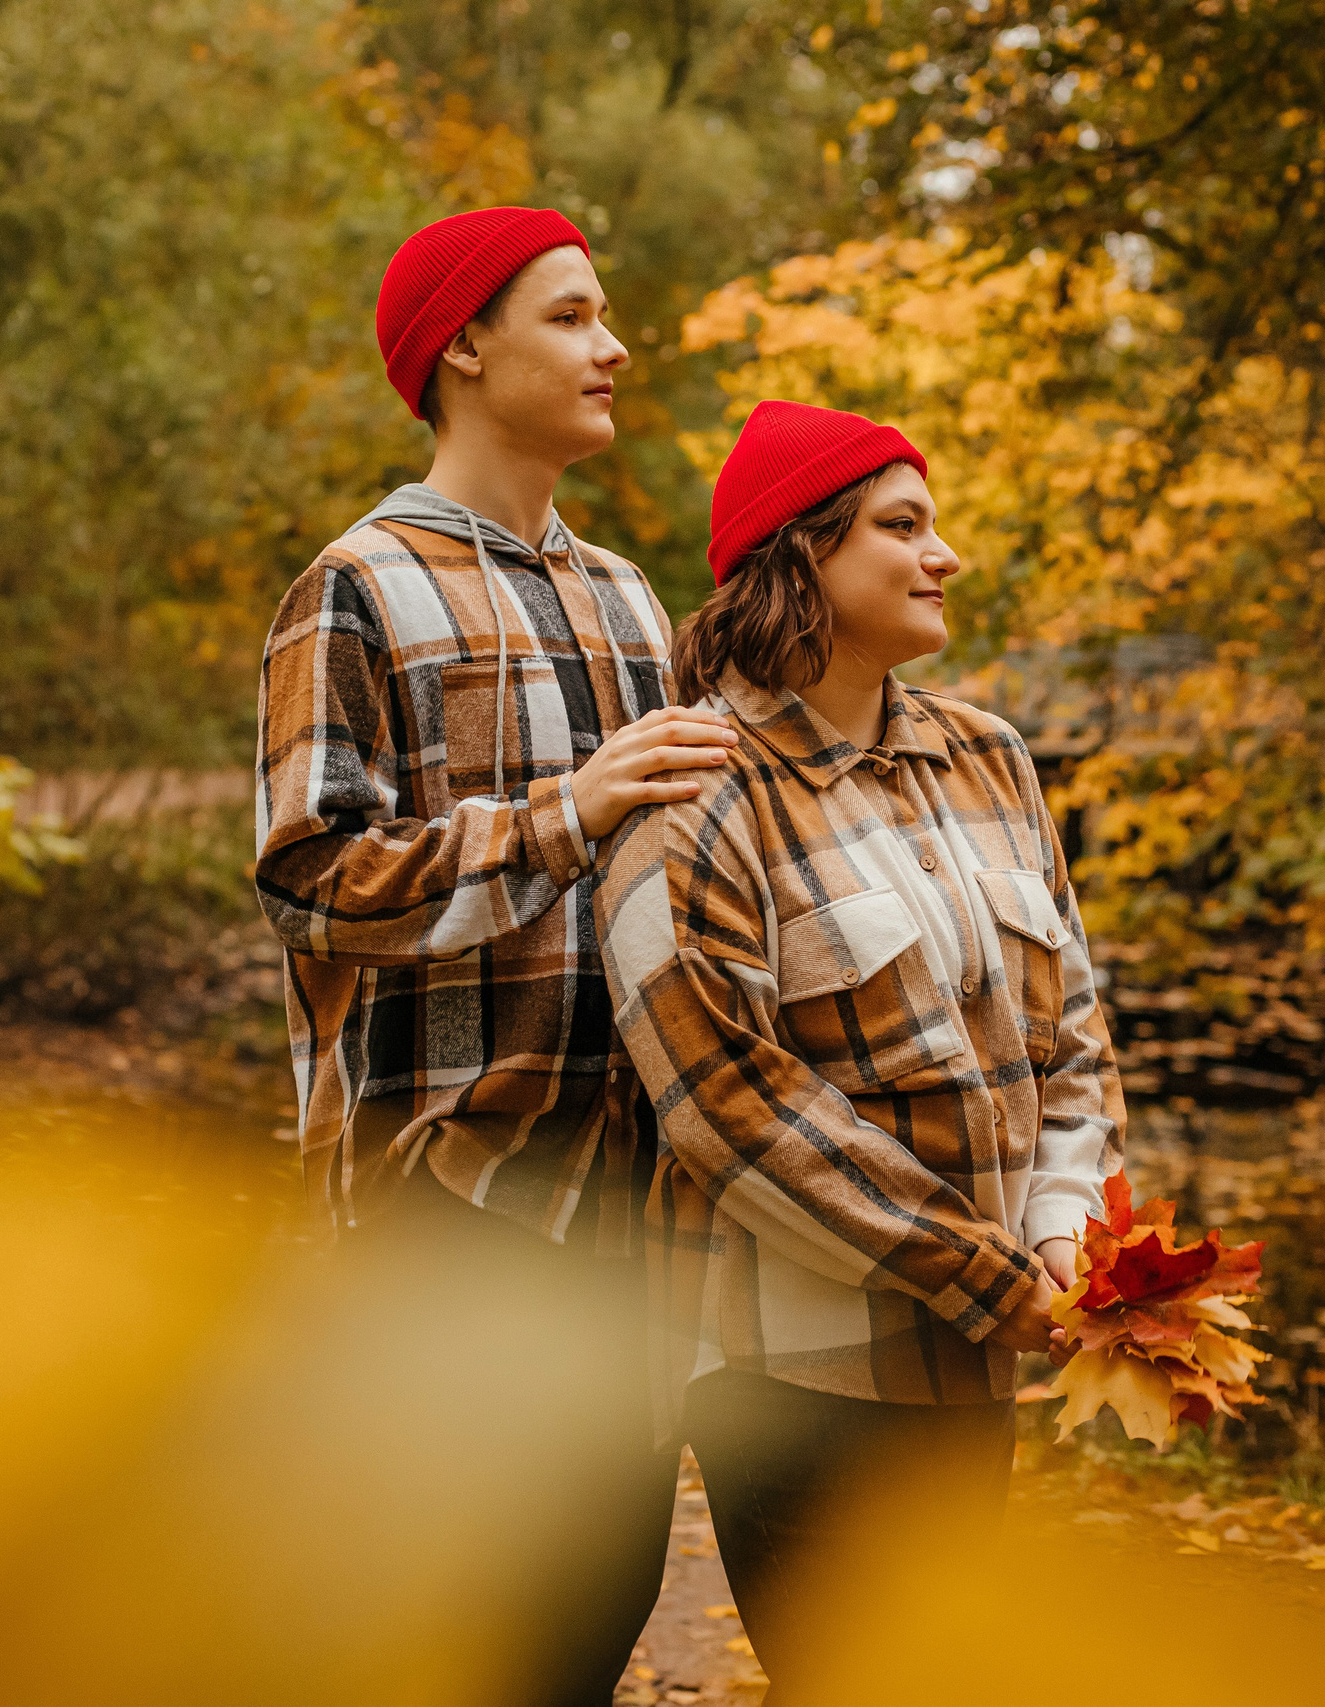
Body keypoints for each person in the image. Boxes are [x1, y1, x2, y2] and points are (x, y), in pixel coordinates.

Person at [252, 206, 738, 1707]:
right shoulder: (357, 585)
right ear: (464, 344)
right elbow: (311, 881)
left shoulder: (627, 596)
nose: (618, 346)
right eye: (575, 316)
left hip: (629, 1213)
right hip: (449, 1203)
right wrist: (554, 820)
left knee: (588, 1621)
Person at [594, 400, 1125, 1701]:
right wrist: (998, 1279)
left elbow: (1073, 1038)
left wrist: (1063, 1230)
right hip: (797, 1372)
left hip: (977, 1358)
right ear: (799, 556)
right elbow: (730, 1110)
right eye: (903, 526)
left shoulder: (987, 756)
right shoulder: (693, 796)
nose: (942, 554)